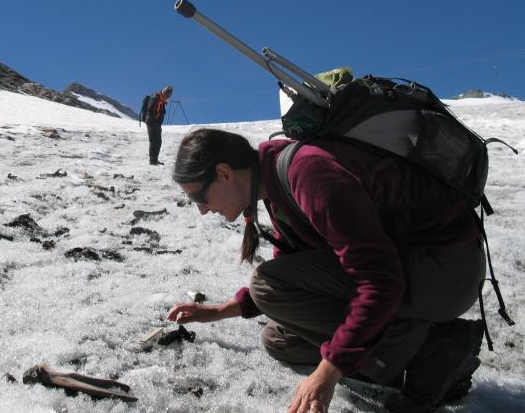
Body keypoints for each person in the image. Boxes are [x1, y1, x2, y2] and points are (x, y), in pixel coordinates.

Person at [166, 128, 486, 413]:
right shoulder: (275, 187)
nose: (202, 209)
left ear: (224, 174)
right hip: (415, 270)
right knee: (280, 339)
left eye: (198, 196)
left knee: (269, 288)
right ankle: (407, 360)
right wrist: (217, 312)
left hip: (446, 270)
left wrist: (329, 372)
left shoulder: (309, 172)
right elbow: (296, 271)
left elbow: (379, 279)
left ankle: (434, 351)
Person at [143, 85, 172, 165]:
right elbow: (151, 110)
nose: (168, 97)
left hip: (156, 124)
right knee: (153, 141)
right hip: (152, 122)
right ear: (165, 93)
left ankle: (155, 159)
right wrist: (154, 122)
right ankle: (152, 160)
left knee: (158, 142)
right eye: (168, 95)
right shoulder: (156, 97)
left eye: (169, 96)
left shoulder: (162, 100)